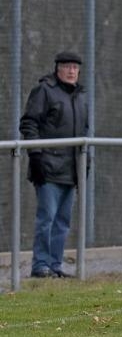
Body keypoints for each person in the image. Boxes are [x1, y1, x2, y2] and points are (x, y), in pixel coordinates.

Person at [19, 51, 88, 278]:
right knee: (46, 219)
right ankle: (40, 266)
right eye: (67, 66)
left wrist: (84, 162)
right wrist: (36, 156)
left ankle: (55, 265)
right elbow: (29, 124)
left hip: (70, 170)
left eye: (75, 67)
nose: (71, 71)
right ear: (57, 69)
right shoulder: (44, 90)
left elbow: (84, 131)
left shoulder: (80, 95)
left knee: (63, 221)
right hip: (48, 168)